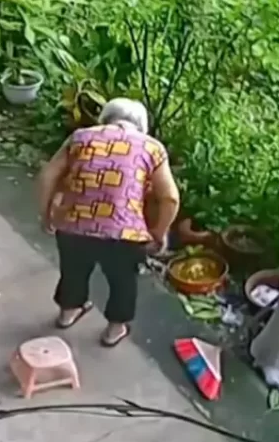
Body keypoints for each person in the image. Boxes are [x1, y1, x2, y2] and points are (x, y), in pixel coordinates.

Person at [35, 98, 180, 347]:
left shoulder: (80, 137)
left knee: (73, 270)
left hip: (74, 225)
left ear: (105, 118)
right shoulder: (152, 148)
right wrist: (158, 232)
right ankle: (114, 330)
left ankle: (68, 313)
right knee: (123, 281)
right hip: (123, 233)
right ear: (142, 126)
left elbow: (47, 175)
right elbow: (169, 198)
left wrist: (47, 214)